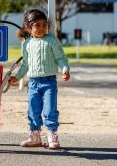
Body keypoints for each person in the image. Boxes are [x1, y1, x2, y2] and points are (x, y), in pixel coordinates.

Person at [9, 9, 70, 150]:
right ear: (28, 27)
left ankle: (52, 136)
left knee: (50, 110)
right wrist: (17, 77)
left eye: (44, 25)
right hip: (33, 83)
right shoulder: (26, 44)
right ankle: (35, 136)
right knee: (33, 110)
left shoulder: (52, 40)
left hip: (49, 82)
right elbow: (25, 64)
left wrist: (65, 69)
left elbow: (61, 58)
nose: (42, 28)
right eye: (37, 25)